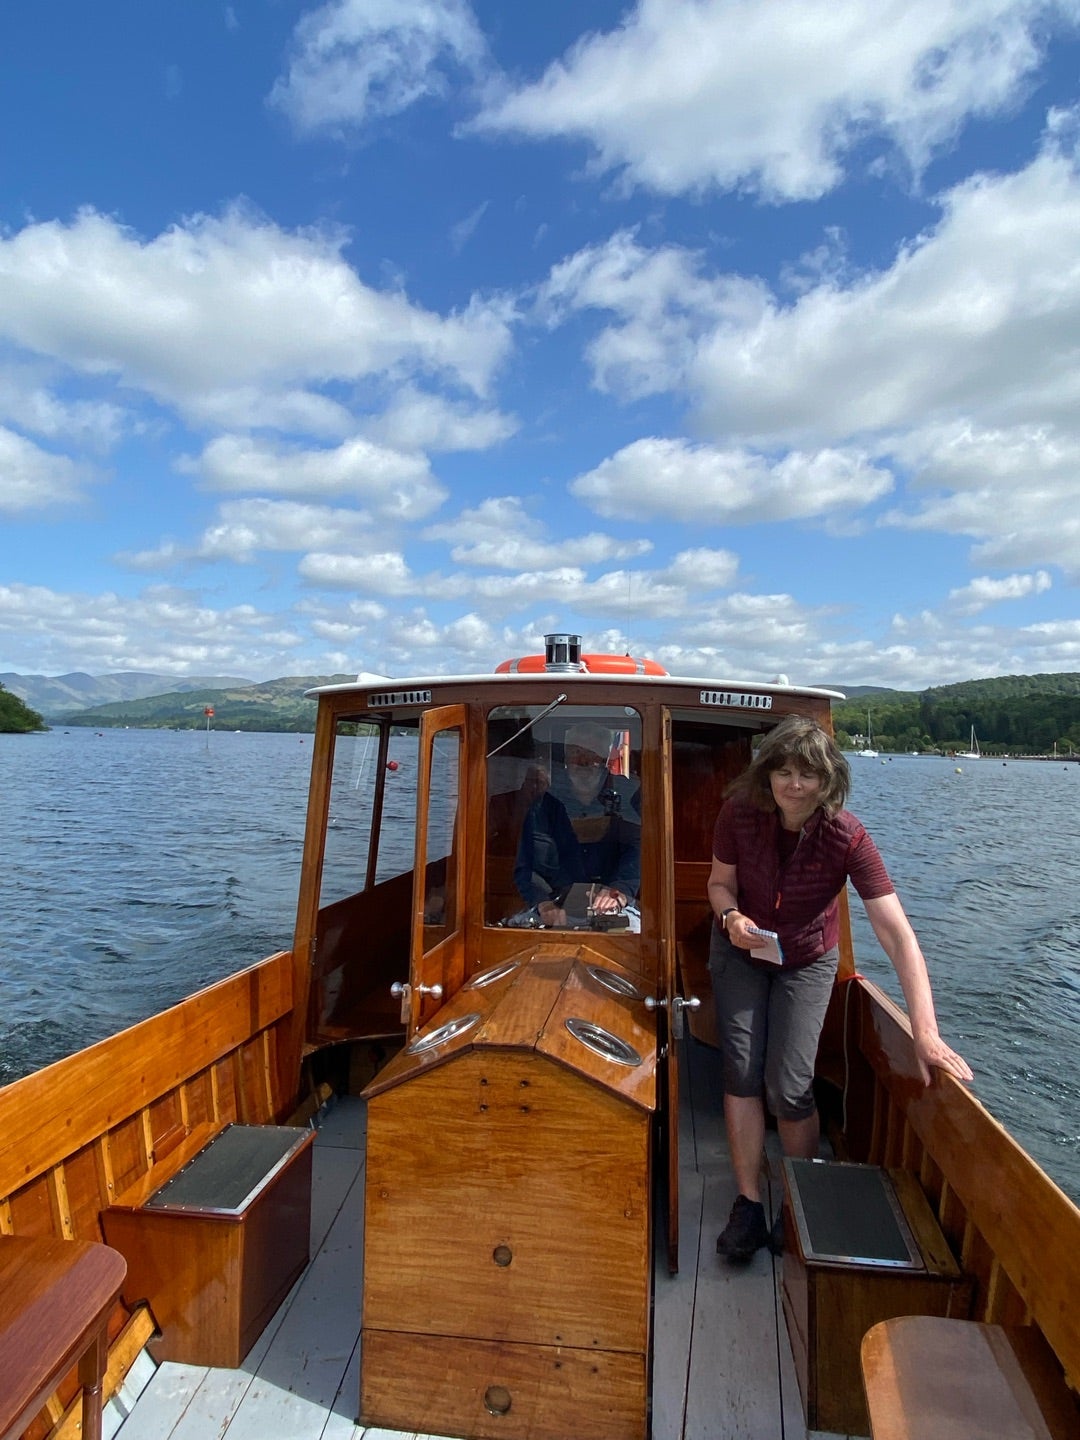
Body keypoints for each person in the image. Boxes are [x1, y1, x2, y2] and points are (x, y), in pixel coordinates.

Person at [707, 714, 973, 1262]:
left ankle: (798, 1201)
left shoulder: (847, 837)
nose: (793, 784)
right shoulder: (738, 813)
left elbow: (897, 935)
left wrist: (924, 1031)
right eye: (782, 771)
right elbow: (718, 883)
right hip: (741, 951)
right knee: (740, 1067)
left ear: (828, 781)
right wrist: (732, 918)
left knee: (789, 1085)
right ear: (767, 775)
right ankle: (750, 1203)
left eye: (807, 774)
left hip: (806, 960)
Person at [513, 721, 641, 927]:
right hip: (555, 904)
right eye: (576, 753)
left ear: (604, 758)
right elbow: (526, 868)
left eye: (592, 754)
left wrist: (620, 892)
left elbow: (640, 850)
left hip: (616, 901)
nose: (583, 761)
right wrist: (543, 904)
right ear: (566, 758)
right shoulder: (544, 804)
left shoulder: (629, 795)